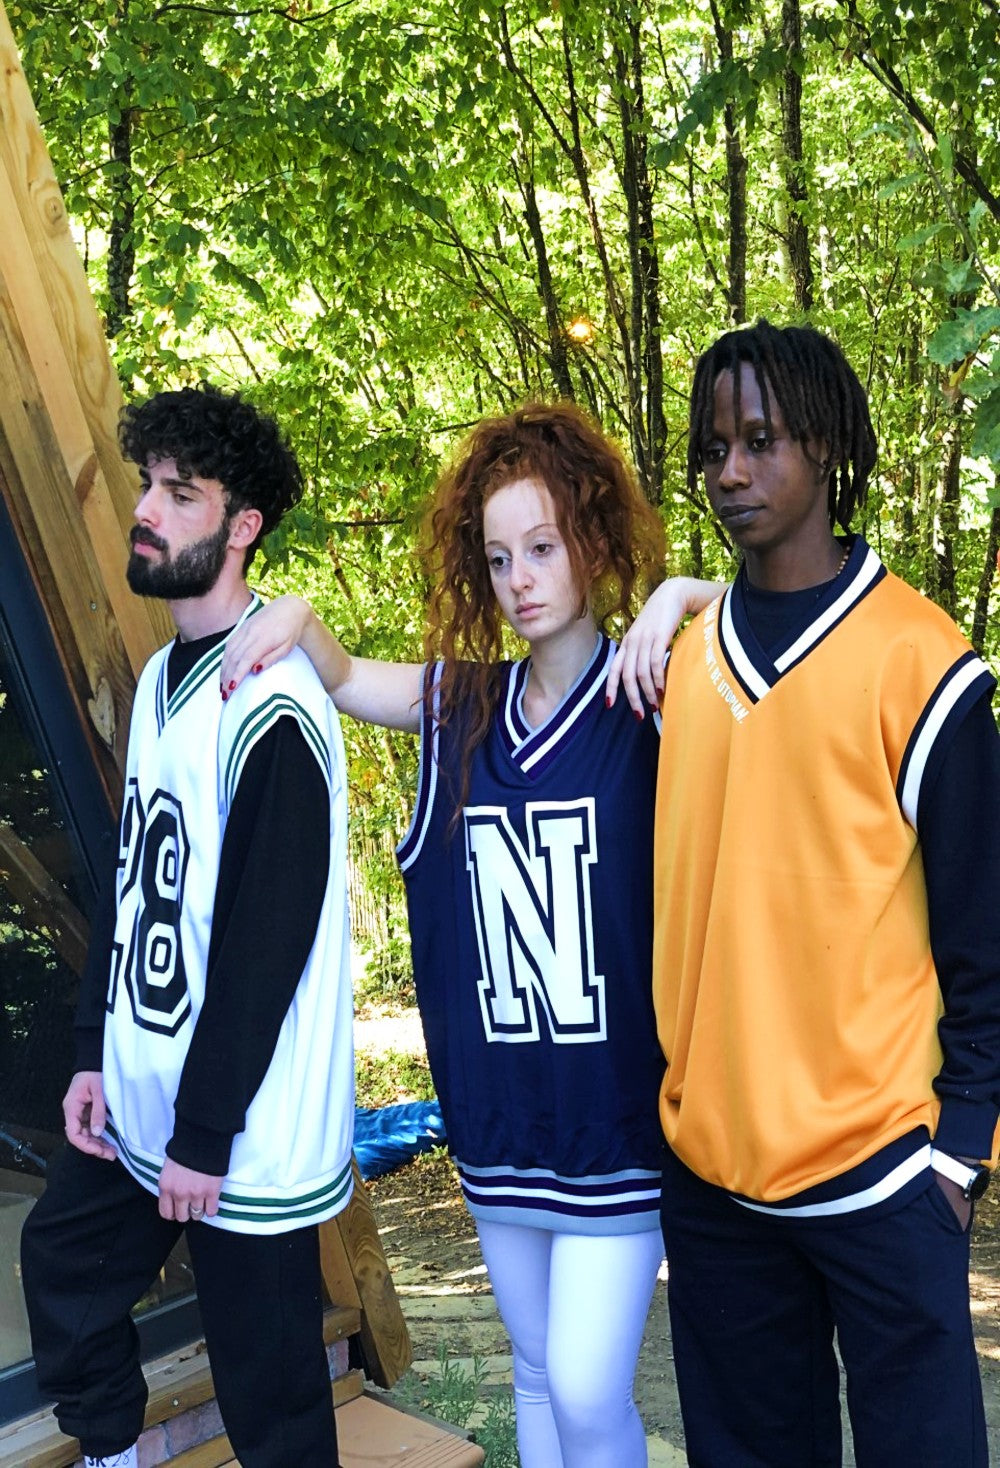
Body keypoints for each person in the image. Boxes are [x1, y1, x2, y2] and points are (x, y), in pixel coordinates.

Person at [222, 402, 714, 1468]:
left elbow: (779, 635)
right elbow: (343, 676)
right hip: (497, 1127)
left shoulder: (656, 694)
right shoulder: (460, 705)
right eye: (498, 558)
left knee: (585, 1385)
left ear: (594, 542)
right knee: (534, 1372)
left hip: (617, 1130)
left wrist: (680, 595)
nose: (520, 579)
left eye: (543, 547)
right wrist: (294, 613)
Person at [631, 319, 1000, 1467]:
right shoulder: (680, 660)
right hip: (715, 1183)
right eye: (712, 449)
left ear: (827, 443)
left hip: (884, 1173)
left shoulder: (921, 663)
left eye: (760, 441)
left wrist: (961, 1152)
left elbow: (982, 928)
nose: (729, 471)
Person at [21, 384, 354, 1468]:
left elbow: (267, 946)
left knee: (273, 1400)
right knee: (65, 1266)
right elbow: (135, 886)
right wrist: (92, 1050)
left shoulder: (276, 703)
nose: (146, 510)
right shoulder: (166, 672)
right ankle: (113, 1453)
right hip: (147, 1086)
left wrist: (205, 1135)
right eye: (146, 486)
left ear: (242, 526)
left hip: (241, 1130)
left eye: (180, 493)